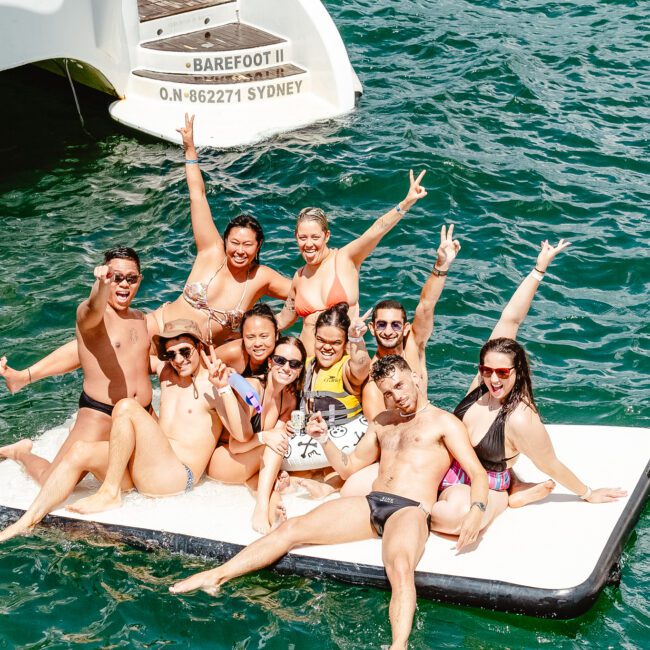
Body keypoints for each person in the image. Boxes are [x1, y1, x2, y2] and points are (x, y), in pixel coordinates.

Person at [169, 355, 489, 650]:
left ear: (415, 379)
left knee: (401, 567)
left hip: (410, 509)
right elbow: (349, 466)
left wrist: (477, 509)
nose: (397, 395)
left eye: (400, 385)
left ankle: (398, 645)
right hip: (372, 502)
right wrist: (325, 439)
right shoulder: (382, 421)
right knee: (293, 528)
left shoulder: (443, 423)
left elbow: (477, 473)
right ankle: (217, 575)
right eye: (388, 392)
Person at [0, 114, 291, 394]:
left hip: (189, 355)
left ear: (258, 247)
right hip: (157, 329)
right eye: (234, 243)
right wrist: (190, 151)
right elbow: (197, 195)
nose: (239, 250)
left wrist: (276, 326)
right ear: (225, 241)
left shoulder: (262, 278)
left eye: (247, 245)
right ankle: (25, 377)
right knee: (101, 340)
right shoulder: (211, 251)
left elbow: (300, 297)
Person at [429, 239, 627, 538]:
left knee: (448, 520)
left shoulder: (520, 418)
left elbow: (549, 462)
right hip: (451, 469)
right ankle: (516, 483)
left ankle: (507, 496)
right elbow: (511, 318)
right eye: (486, 371)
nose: (493, 379)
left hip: (484, 485)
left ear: (517, 371)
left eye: (502, 373)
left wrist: (587, 492)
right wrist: (538, 269)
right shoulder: (480, 387)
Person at [0, 320, 232, 542]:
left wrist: (224, 389)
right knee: (80, 451)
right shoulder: (167, 370)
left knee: (126, 407)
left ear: (199, 347)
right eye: (171, 354)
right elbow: (117, 358)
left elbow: (241, 433)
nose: (179, 360)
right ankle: (26, 519)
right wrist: (26, 375)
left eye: (185, 351)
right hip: (146, 467)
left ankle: (110, 492)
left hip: (175, 477)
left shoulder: (216, 383)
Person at [0, 248, 151, 487]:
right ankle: (21, 452)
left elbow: (136, 362)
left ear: (139, 280)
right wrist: (101, 285)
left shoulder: (140, 318)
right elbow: (93, 306)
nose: (123, 284)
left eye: (131, 278)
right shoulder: (91, 317)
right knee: (53, 482)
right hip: (101, 415)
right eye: (116, 277)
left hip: (142, 413)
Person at [276, 170, 428, 355]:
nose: (309, 244)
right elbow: (283, 320)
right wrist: (243, 323)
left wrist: (405, 204)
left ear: (327, 236)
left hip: (344, 361)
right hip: (307, 363)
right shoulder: (299, 277)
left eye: (315, 237)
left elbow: (375, 230)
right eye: (302, 238)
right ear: (296, 238)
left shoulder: (345, 258)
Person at [205, 335, 307, 532]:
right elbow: (236, 444)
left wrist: (282, 430)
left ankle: (273, 509)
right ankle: (260, 511)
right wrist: (265, 436)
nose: (286, 368)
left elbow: (277, 436)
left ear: (300, 369)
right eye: (280, 360)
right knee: (275, 441)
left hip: (247, 462)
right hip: (225, 460)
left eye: (294, 364)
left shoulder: (288, 399)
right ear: (270, 362)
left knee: (274, 459)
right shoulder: (253, 389)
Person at [214, 303, 278, 383]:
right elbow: (203, 362)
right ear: (243, 337)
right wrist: (222, 370)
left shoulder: (283, 354)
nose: (257, 344)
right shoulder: (234, 352)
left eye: (264, 336)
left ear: (276, 335)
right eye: (250, 337)